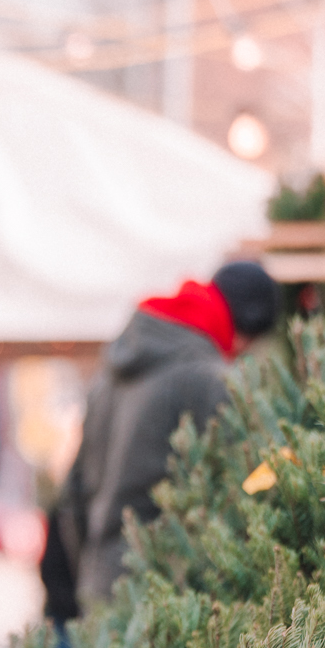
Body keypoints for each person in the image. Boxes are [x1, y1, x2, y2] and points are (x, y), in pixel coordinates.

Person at [56, 261, 280, 611]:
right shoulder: (208, 379)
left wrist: (92, 568)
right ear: (244, 329)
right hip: (168, 594)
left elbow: (72, 494)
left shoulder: (110, 375)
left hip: (97, 584)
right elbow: (248, 481)